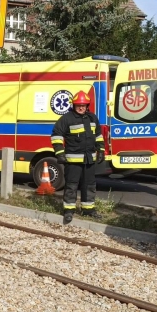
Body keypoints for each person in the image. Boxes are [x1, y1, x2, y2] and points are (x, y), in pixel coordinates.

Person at [51, 91, 105, 224]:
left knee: (89, 185)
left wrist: (101, 150)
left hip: (89, 160)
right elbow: (56, 135)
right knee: (71, 185)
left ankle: (88, 210)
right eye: (78, 105)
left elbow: (98, 135)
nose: (81, 108)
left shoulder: (92, 118)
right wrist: (60, 153)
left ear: (87, 105)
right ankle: (69, 211)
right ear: (74, 105)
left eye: (83, 105)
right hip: (73, 161)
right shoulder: (67, 118)